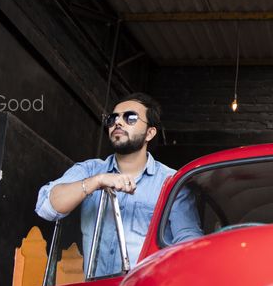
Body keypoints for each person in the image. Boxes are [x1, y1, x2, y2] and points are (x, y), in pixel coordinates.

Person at [35, 93, 202, 276]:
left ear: (150, 133)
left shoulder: (171, 182)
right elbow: (46, 207)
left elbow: (190, 245)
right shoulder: (90, 170)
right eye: (113, 118)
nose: (118, 123)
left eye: (130, 118)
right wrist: (97, 181)